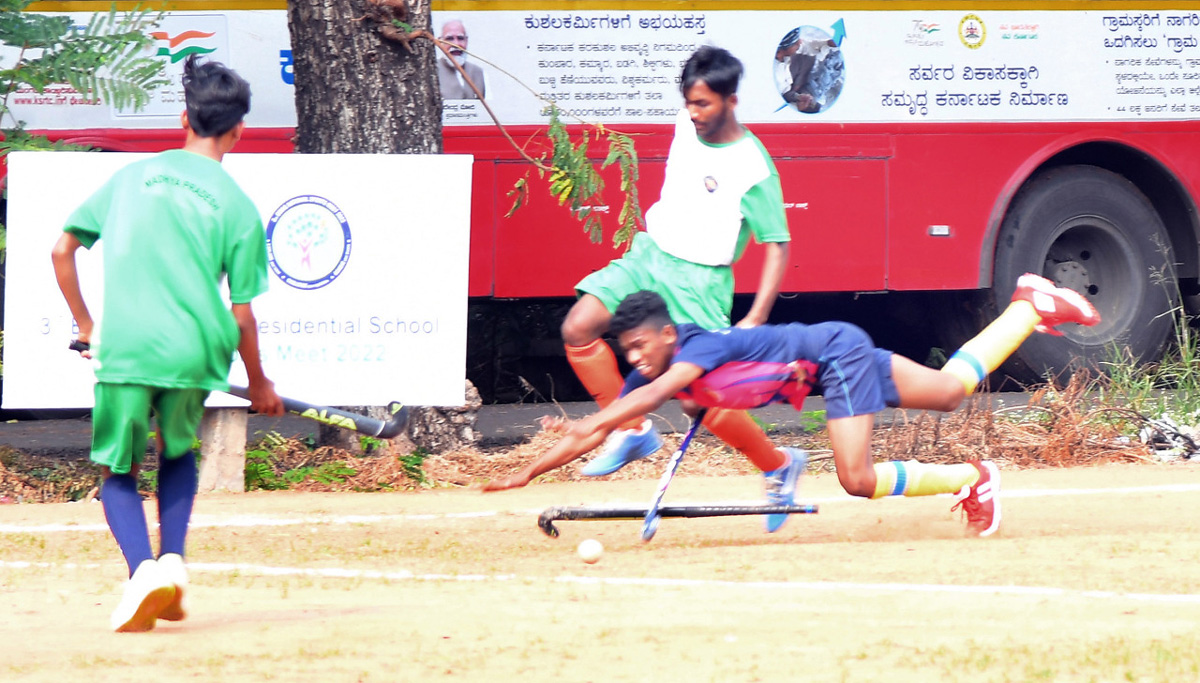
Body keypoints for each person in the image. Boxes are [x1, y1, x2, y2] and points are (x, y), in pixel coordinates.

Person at [484, 274, 1103, 538]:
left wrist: (621, 406)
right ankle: (1028, 306)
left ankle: (969, 481)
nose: (637, 361)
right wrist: (530, 468)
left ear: (668, 335)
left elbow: (638, 400)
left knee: (856, 479)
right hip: (834, 355)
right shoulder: (666, 366)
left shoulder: (693, 351)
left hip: (836, 359)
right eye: (629, 353)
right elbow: (598, 427)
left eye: (642, 347)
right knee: (948, 390)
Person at [51, 55, 284, 632]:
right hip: (195, 349)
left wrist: (86, 324)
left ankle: (143, 571)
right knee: (177, 453)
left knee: (117, 470)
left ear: (183, 117)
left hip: (127, 346)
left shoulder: (130, 177)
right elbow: (244, 317)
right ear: (238, 130)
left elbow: (62, 250)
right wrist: (258, 381)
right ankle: (174, 562)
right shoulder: (238, 206)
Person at [555, 45, 796, 509]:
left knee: (699, 400)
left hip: (699, 282)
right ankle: (631, 430)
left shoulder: (752, 166)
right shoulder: (686, 122)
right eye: (687, 101)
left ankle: (779, 466)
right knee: (578, 327)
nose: (692, 112)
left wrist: (757, 316)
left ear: (732, 100)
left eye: (703, 103)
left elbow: (778, 245)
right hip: (648, 255)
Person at [437, 19, 486, 99]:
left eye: (460, 38)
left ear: (466, 40)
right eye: (449, 39)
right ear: (440, 42)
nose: (456, 44)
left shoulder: (478, 72)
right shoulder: (432, 70)